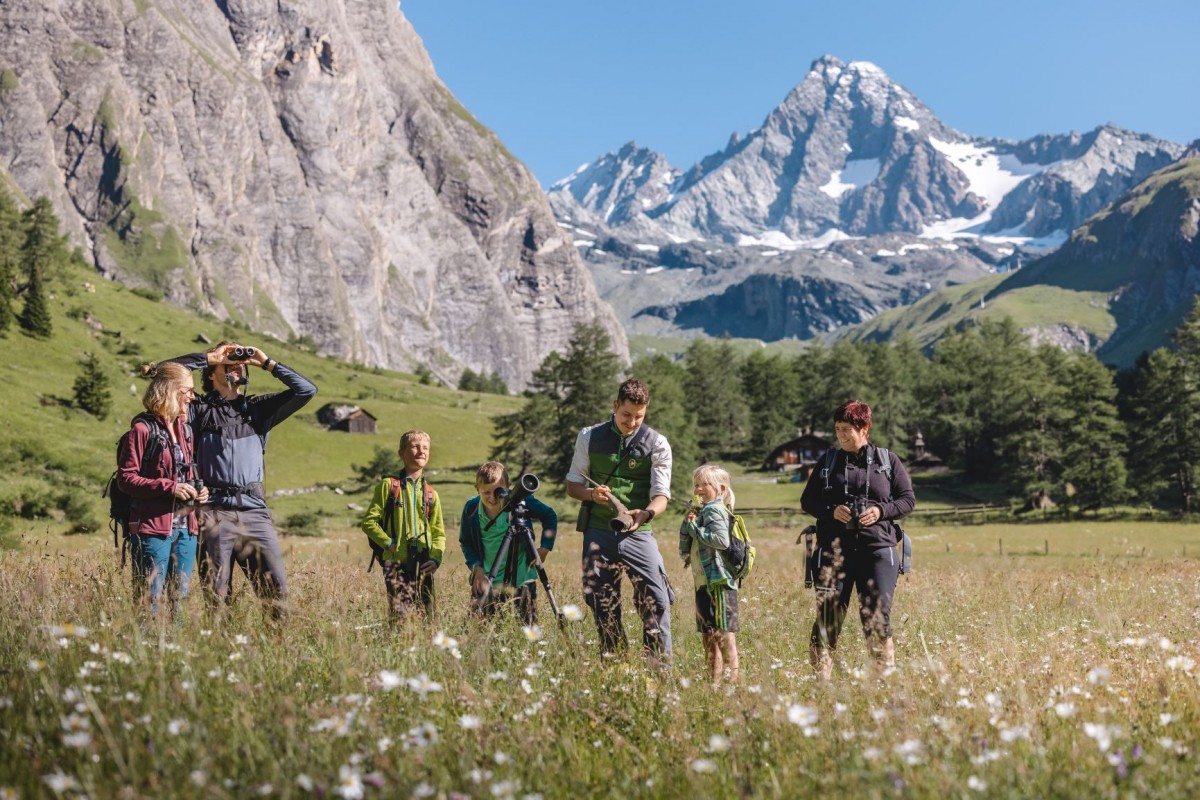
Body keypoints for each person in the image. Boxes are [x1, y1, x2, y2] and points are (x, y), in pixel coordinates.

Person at [161, 341, 317, 618]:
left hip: (255, 512)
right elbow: (164, 373)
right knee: (217, 595)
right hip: (213, 512)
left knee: (277, 594)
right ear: (211, 373)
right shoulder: (197, 409)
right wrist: (211, 357)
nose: (237, 365)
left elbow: (306, 390)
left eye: (240, 362)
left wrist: (267, 363)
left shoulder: (258, 409)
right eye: (229, 363)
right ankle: (220, 651)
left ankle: (276, 653)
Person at [800, 400, 915, 677]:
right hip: (834, 550)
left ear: (864, 428)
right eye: (838, 428)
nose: (840, 434)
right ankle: (821, 687)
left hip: (878, 550)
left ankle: (881, 684)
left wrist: (880, 510)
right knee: (827, 620)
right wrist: (831, 511)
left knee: (877, 621)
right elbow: (808, 501)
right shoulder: (828, 461)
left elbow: (907, 500)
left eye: (847, 429)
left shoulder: (887, 461)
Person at [566, 379, 674, 665]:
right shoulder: (588, 437)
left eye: (640, 416)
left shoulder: (658, 443)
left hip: (639, 533)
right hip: (598, 532)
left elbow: (662, 495)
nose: (632, 422)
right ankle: (615, 666)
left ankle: (658, 668)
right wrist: (592, 494)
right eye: (627, 414)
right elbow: (573, 485)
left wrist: (646, 513)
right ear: (615, 406)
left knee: (657, 599)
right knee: (602, 605)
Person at [117, 362, 208, 616]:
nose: (192, 396)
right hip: (151, 529)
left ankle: (172, 653)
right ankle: (144, 652)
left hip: (186, 530)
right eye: (187, 390)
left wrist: (200, 491)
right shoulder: (141, 430)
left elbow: (186, 474)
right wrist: (171, 488)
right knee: (149, 601)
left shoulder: (187, 431)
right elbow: (125, 479)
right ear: (170, 390)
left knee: (179, 602)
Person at [360, 430, 446, 620]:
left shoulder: (431, 494)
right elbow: (369, 522)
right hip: (395, 564)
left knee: (427, 617)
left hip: (424, 563)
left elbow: (438, 532)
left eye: (425, 448)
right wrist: (389, 543)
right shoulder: (388, 485)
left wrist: (436, 558)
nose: (421, 451)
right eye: (415, 446)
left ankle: (426, 649)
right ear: (401, 453)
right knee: (399, 617)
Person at [460, 461, 558, 624]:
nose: (493, 498)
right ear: (477, 489)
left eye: (498, 491)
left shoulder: (519, 501)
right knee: (482, 630)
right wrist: (477, 569)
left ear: (508, 486)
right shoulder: (471, 509)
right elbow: (466, 542)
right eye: (486, 493)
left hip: (523, 579)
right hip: (487, 581)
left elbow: (549, 515)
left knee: (527, 629)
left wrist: (545, 548)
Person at [679, 465, 741, 685]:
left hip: (720, 582)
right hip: (705, 582)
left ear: (721, 488)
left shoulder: (715, 510)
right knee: (709, 635)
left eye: (705, 484)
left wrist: (695, 527)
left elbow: (721, 541)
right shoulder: (702, 509)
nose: (699, 489)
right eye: (696, 484)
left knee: (724, 636)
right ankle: (713, 683)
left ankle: (731, 683)